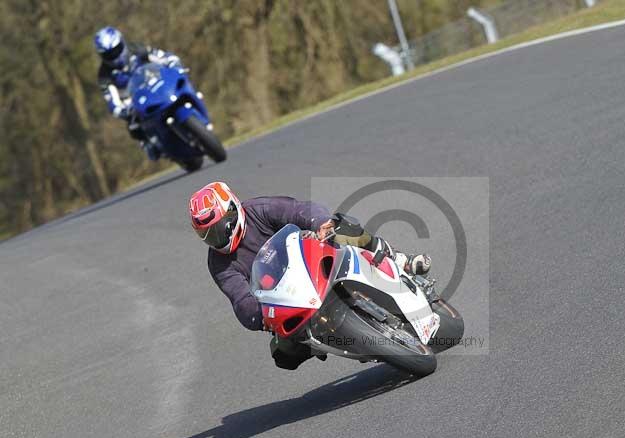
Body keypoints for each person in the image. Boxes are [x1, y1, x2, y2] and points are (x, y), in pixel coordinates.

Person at [188, 181, 431, 370]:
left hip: (311, 259)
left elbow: (300, 210)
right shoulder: (219, 264)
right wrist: (258, 317)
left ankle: (399, 259)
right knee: (283, 356)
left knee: (345, 228)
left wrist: (321, 223)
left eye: (217, 228)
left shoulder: (259, 210)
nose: (215, 238)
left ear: (233, 211)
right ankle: (350, 342)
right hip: (286, 299)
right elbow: (239, 297)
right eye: (206, 234)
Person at [93, 26, 182, 161]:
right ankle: (150, 143)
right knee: (134, 127)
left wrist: (171, 62)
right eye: (109, 54)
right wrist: (121, 110)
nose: (114, 56)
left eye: (116, 50)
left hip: (155, 86)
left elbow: (159, 56)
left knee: (179, 86)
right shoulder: (104, 76)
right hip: (134, 102)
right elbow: (111, 100)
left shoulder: (136, 49)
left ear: (122, 43)